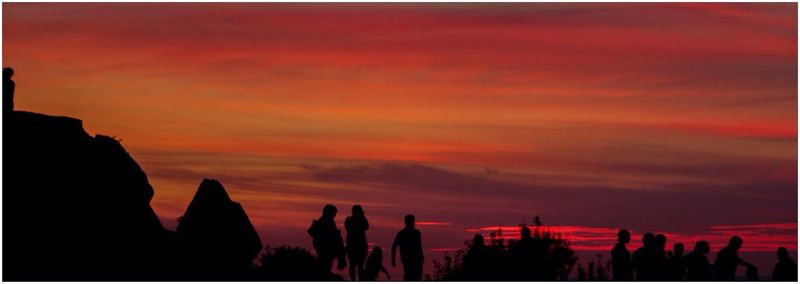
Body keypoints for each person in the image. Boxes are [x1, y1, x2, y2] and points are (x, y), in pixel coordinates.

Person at [308, 204, 347, 273]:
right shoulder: (326, 221)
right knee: (325, 262)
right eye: (334, 213)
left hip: (325, 245)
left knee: (326, 262)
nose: (334, 215)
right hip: (325, 246)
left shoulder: (328, 221)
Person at [392, 214, 424, 281]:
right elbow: (394, 246)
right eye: (413, 221)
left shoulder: (403, 233)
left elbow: (394, 246)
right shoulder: (414, 233)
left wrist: (393, 259)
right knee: (412, 276)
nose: (414, 223)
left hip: (412, 259)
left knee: (411, 276)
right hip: (411, 259)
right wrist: (393, 259)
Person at [345, 205, 369, 281]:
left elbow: (366, 227)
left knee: (356, 266)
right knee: (356, 266)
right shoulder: (351, 220)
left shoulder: (350, 220)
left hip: (355, 246)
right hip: (357, 246)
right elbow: (365, 227)